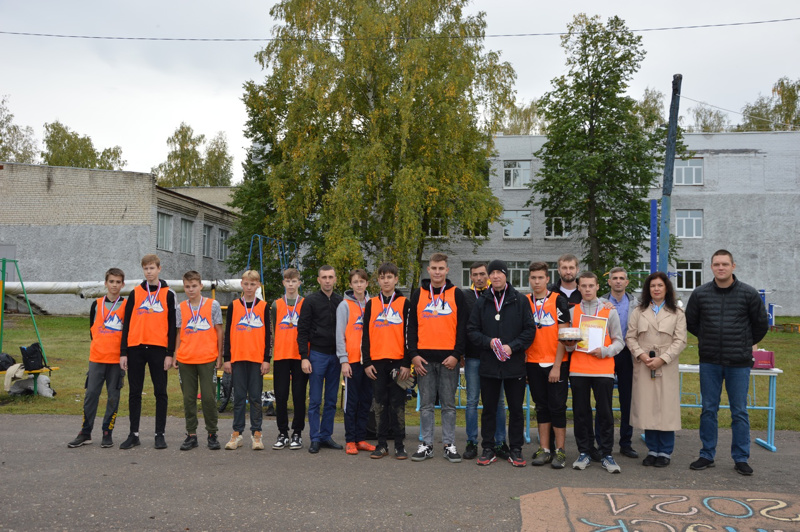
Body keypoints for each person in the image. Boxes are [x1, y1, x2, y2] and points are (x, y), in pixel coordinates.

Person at [686, 250, 768, 476]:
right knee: (708, 410)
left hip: (739, 363)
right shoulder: (700, 294)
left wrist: (744, 343)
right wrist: (707, 338)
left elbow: (760, 325)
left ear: (733, 266)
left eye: (724, 264)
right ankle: (706, 454)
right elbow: (691, 323)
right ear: (711, 267)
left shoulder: (748, 294)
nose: (720, 268)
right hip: (710, 361)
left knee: (739, 411)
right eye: (716, 264)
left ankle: (741, 458)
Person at [467, 260, 535, 467]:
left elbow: (529, 331)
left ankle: (516, 448)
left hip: (513, 364)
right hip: (489, 365)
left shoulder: (520, 300)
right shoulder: (482, 301)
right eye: (492, 273)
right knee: (488, 408)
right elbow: (471, 330)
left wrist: (512, 347)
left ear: (506, 275)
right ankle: (488, 448)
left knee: (515, 408)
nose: (495, 276)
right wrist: (488, 342)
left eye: (499, 272)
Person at [407, 253, 468, 463]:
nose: (437, 272)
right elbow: (411, 327)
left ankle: (449, 444)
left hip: (448, 360)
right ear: (428, 269)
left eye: (441, 268)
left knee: (449, 405)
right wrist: (413, 355)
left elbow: (462, 328)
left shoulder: (456, 294)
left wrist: (456, 354)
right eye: (434, 268)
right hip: (423, 360)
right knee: (426, 405)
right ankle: (426, 444)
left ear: (447, 270)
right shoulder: (418, 294)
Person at [565, 272, 625, 473]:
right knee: (581, 413)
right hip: (579, 370)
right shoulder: (573, 312)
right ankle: (585, 452)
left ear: (598, 286)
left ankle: (607, 453)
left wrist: (606, 351)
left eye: (591, 285)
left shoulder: (610, 311)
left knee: (605, 413)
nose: (588, 289)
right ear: (578, 288)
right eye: (584, 286)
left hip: (603, 369)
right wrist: (570, 345)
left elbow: (619, 341)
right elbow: (568, 346)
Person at [626, 272, 687, 467]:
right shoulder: (638, 311)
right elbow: (630, 337)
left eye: (660, 285)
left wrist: (662, 359)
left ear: (666, 288)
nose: (656, 289)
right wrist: (642, 356)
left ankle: (665, 452)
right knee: (648, 407)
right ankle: (652, 449)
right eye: (653, 286)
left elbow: (680, 341)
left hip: (666, 365)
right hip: (644, 364)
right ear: (648, 289)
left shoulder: (677, 313)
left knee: (665, 408)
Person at [119, 254, 177, 450]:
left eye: (152, 268)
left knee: (160, 392)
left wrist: (170, 353)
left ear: (159, 269)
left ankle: (159, 434)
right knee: (134, 392)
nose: (149, 272)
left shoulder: (168, 294)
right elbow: (126, 322)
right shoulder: (135, 293)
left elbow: (172, 325)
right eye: (146, 269)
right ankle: (133, 434)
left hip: (158, 349)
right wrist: (123, 352)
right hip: (136, 348)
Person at [68, 268, 127, 449]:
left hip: (116, 361)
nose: (114, 285)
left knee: (113, 397)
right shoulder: (96, 304)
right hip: (97, 358)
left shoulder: (127, 305)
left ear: (122, 284)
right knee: (91, 395)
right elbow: (92, 331)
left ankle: (107, 432)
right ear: (106, 283)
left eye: (118, 282)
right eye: (111, 281)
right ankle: (85, 432)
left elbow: (128, 334)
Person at [362, 262, 412, 459]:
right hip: (377, 363)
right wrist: (367, 362)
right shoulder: (371, 304)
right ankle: (381, 444)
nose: (386, 280)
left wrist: (406, 363)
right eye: (382, 277)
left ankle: (399, 444)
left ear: (396, 279)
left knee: (397, 404)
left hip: (398, 362)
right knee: (380, 404)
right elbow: (365, 336)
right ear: (378, 280)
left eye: (389, 277)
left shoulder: (404, 303)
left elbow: (409, 336)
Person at [525, 262, 571, 469]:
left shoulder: (558, 301)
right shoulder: (524, 301)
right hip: (533, 363)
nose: (537, 282)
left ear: (547, 279)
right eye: (533, 278)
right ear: (529, 280)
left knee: (558, 408)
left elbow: (564, 336)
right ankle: (544, 449)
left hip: (556, 363)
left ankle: (560, 451)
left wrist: (556, 366)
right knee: (541, 407)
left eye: (540, 278)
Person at [461, 261, 508, 461]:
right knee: (472, 401)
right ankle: (471, 441)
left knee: (498, 401)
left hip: (495, 357)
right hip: (472, 357)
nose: (479, 278)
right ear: (470, 277)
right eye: (475, 275)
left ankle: (500, 442)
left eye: (482, 274)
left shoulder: (496, 295)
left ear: (488, 276)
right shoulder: (465, 296)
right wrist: (460, 353)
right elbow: (462, 326)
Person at [172, 271, 224, 451]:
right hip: (186, 358)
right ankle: (191, 434)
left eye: (194, 286)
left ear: (201, 286)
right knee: (188, 398)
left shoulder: (212, 305)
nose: (191, 289)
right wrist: (176, 355)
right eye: (187, 286)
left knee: (209, 398)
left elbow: (219, 331)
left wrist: (219, 356)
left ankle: (212, 433)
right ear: (184, 287)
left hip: (207, 358)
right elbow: (179, 333)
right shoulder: (181, 307)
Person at [297, 265, 344, 453]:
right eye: (323, 277)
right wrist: (304, 357)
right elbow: (302, 331)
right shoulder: (310, 301)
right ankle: (314, 438)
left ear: (335, 279)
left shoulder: (341, 302)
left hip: (336, 357)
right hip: (317, 356)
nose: (327, 280)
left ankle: (326, 435)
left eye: (330, 277)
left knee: (331, 400)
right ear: (318, 279)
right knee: (315, 399)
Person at [223, 270, 271, 451]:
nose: (249, 288)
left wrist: (267, 359)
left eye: (253, 284)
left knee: (256, 398)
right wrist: (227, 358)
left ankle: (256, 433)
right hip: (237, 358)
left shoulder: (264, 306)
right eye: (246, 284)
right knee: (239, 397)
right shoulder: (234, 305)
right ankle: (237, 433)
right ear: (242, 285)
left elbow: (268, 335)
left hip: (257, 359)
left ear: (258, 285)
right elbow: (228, 334)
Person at [336, 269, 376, 455]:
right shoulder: (344, 306)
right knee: (351, 402)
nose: (359, 285)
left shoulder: (373, 304)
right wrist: (343, 360)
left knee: (366, 401)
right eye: (355, 282)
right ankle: (350, 439)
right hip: (351, 361)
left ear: (367, 284)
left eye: (362, 281)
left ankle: (361, 438)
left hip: (369, 362)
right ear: (351, 285)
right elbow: (340, 335)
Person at [601, 267, 640, 459]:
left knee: (627, 400)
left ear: (627, 282)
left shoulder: (637, 304)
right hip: (607, 353)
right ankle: (603, 443)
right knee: (604, 401)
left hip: (627, 355)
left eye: (621, 278)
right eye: (614, 278)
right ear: (608, 282)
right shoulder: (601, 303)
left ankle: (626, 442)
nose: (617, 281)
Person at [270, 267, 307, 450]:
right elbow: (274, 330)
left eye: (294, 281)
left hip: (300, 356)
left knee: (299, 396)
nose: (291, 284)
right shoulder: (276, 304)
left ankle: (297, 433)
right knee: (281, 395)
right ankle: (282, 432)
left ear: (299, 282)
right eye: (287, 281)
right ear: (283, 283)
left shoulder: (306, 304)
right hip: (282, 355)